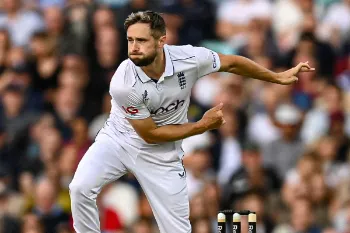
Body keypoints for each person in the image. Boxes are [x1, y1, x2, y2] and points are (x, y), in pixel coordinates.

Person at [69, 10, 315, 233]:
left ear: (161, 40)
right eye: (130, 40)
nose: (134, 48)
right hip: (119, 141)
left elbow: (231, 62)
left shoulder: (188, 58)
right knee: (80, 188)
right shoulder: (123, 82)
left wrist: (276, 77)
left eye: (141, 40)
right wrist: (202, 126)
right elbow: (150, 133)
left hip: (162, 156)